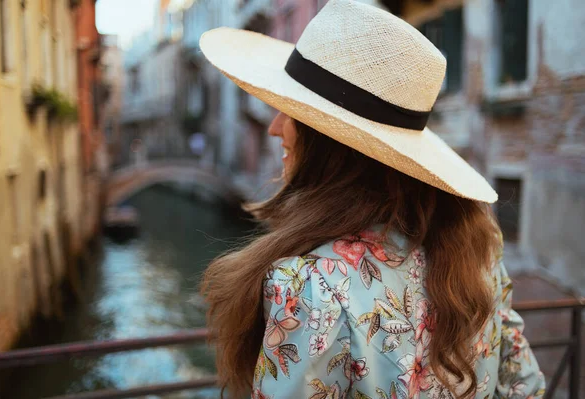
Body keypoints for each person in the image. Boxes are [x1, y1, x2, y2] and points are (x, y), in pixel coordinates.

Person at [199, 1, 545, 398]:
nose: (276, 128)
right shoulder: (481, 247)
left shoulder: (313, 287)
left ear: (328, 142)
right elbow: (524, 386)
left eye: (291, 112)